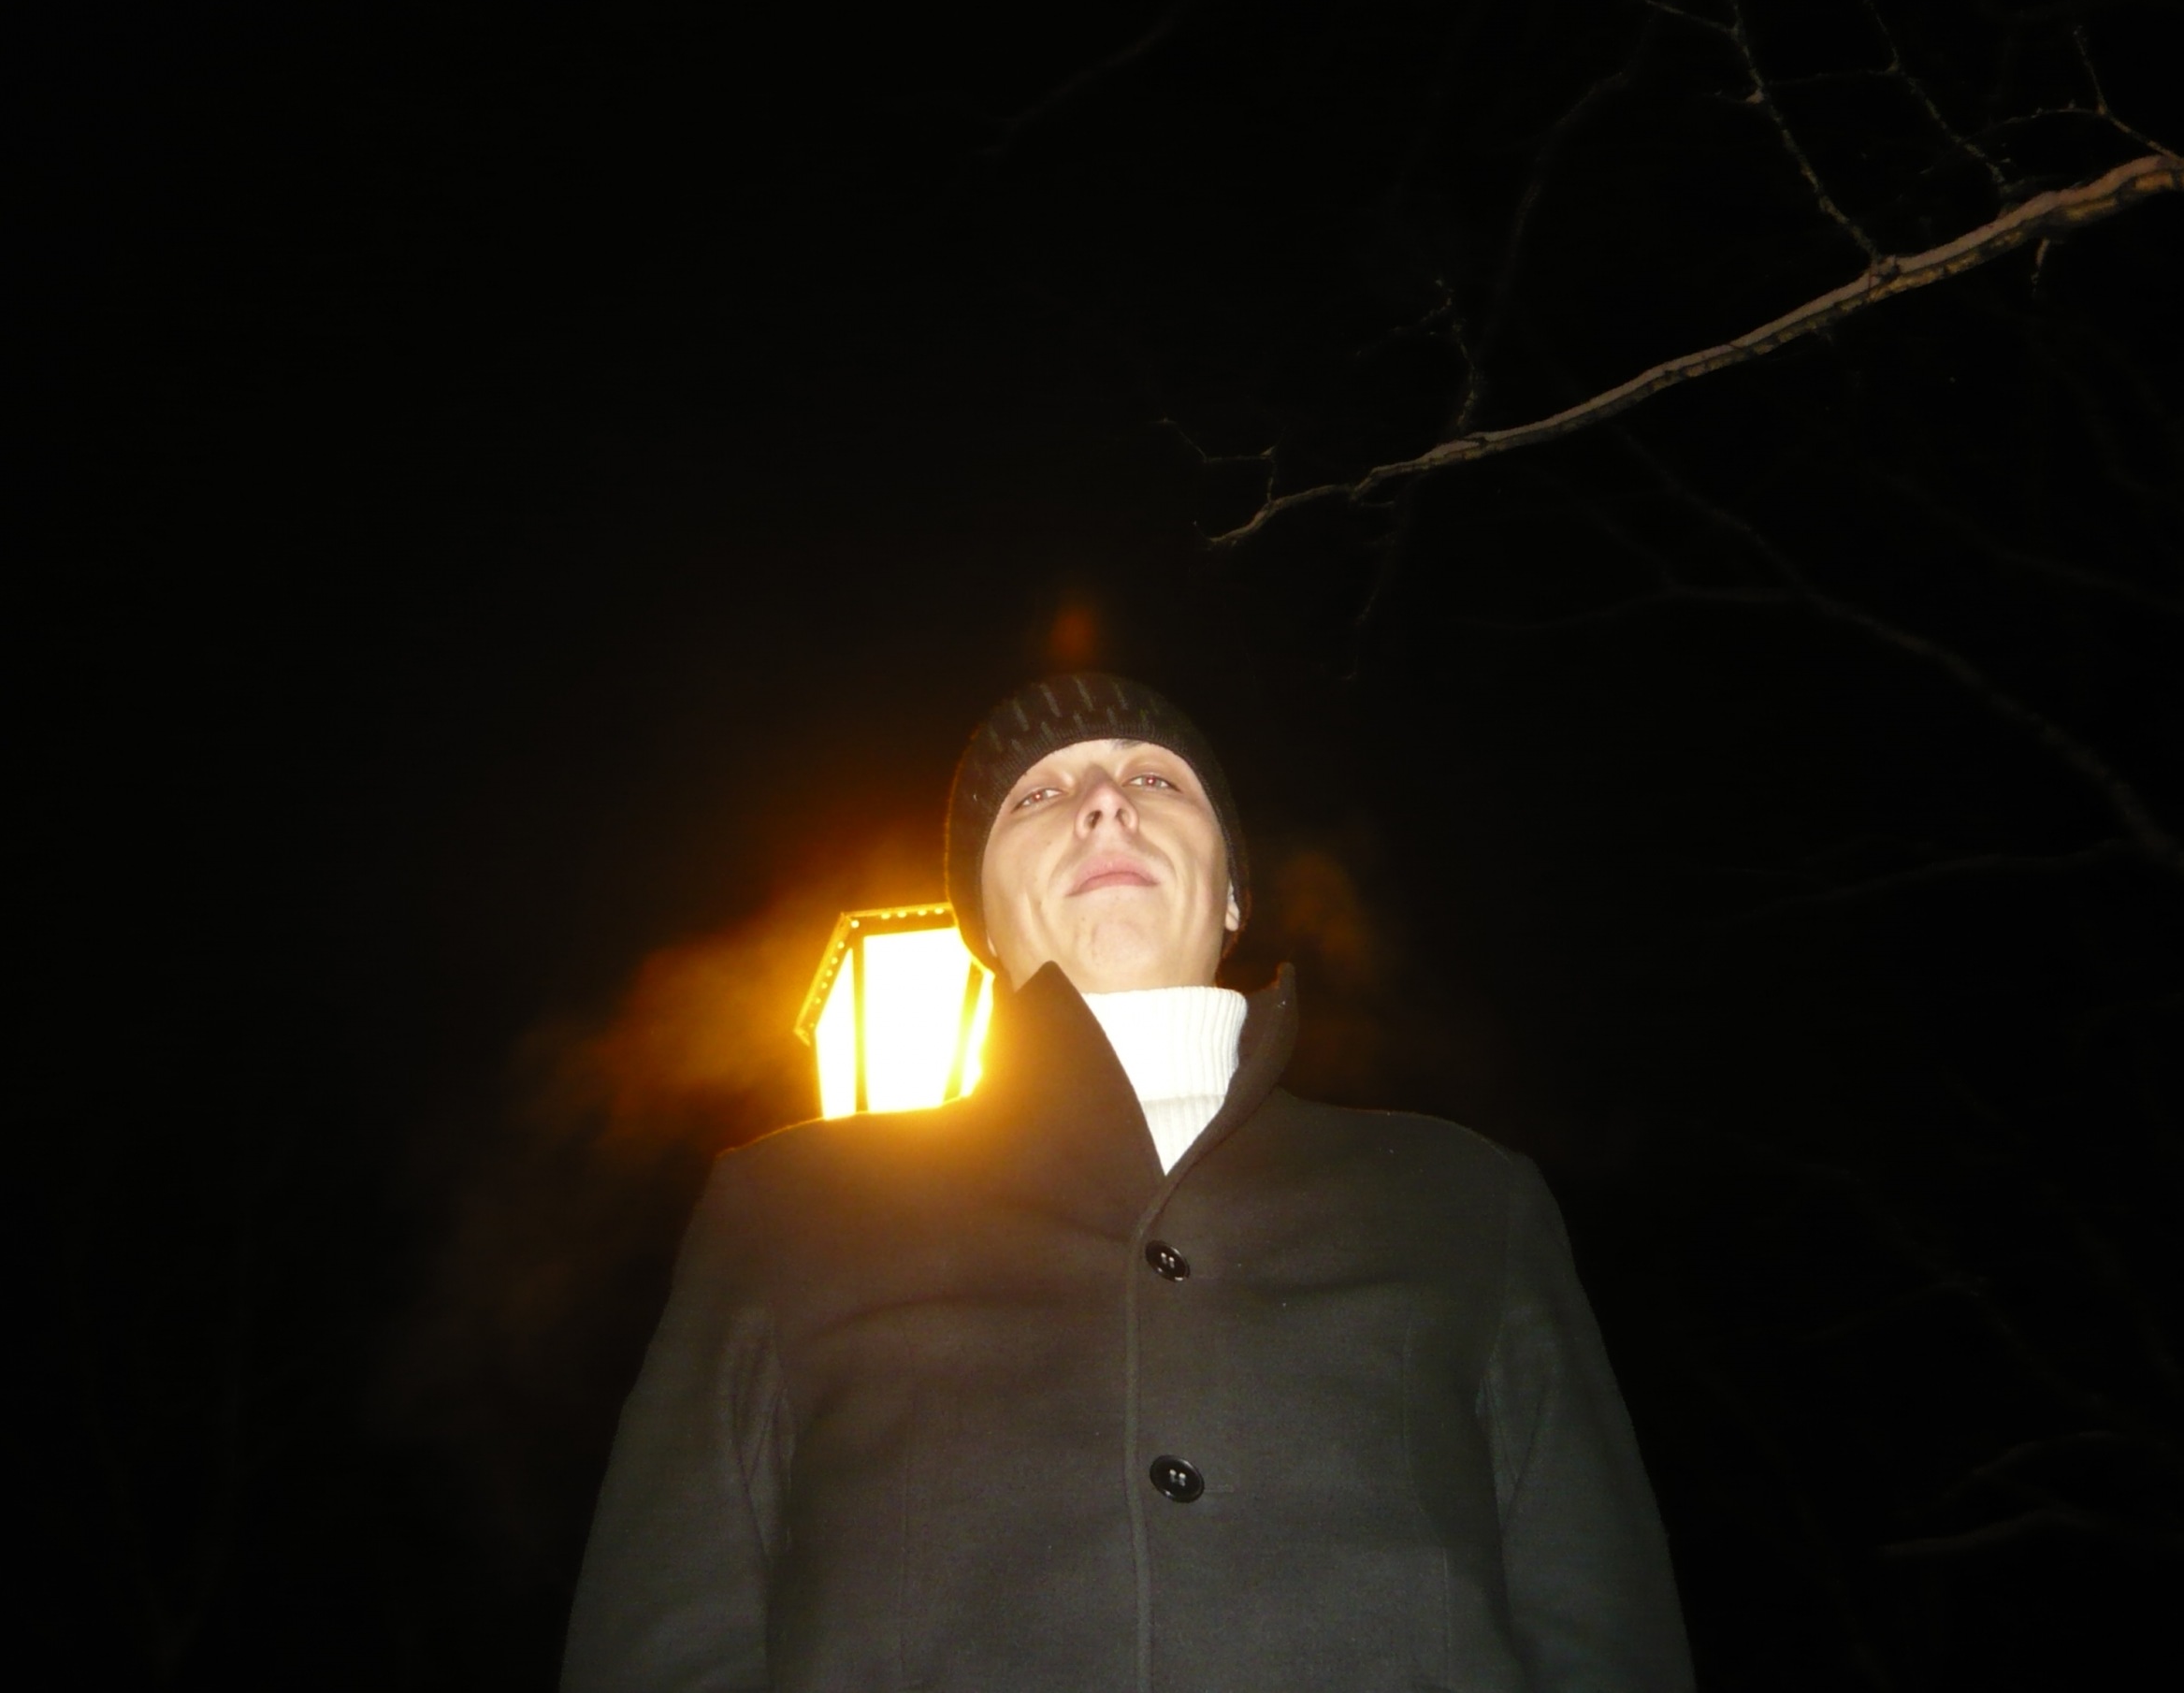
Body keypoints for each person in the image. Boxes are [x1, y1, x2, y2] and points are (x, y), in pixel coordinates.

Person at [561, 673, 1693, 1691]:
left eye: (1154, 780)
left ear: (1234, 894)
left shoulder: (1463, 1200)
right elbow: (664, 1646)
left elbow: (1601, 1634)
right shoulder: (790, 1212)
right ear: (980, 927)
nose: (1104, 804)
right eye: (1038, 797)